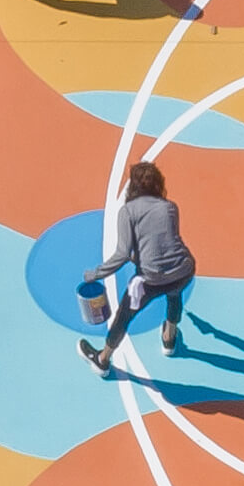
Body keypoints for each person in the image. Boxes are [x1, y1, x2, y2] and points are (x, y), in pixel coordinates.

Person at [78, 161, 196, 377]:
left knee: (125, 314)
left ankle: (103, 359)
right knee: (174, 293)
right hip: (184, 270)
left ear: (133, 188)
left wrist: (94, 275)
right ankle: (169, 339)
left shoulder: (127, 212)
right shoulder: (171, 207)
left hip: (149, 279)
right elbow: (166, 245)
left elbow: (123, 254)